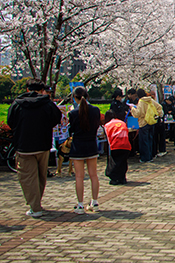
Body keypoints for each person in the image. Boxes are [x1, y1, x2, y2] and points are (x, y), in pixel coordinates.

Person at [7, 78, 62, 218]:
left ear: (27, 89)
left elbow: (10, 121)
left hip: (23, 145)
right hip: (43, 144)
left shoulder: (17, 104)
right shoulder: (47, 103)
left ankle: (35, 206)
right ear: (42, 90)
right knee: (40, 175)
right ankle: (37, 203)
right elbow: (56, 118)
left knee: (27, 177)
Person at [68, 86, 101, 214]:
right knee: (93, 175)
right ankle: (95, 202)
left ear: (74, 98)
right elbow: (97, 125)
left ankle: (80, 205)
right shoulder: (95, 110)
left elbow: (71, 130)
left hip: (78, 146)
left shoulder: (73, 113)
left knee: (79, 176)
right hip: (91, 144)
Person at [131, 89, 163, 162]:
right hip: (151, 122)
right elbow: (159, 107)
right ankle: (150, 156)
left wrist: (132, 109)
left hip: (143, 123)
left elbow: (138, 114)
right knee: (150, 140)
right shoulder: (150, 100)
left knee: (144, 141)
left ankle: (145, 158)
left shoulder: (141, 102)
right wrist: (156, 115)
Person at [103, 110, 131, 185]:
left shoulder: (107, 125)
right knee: (123, 162)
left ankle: (115, 178)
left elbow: (107, 137)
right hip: (126, 144)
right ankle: (122, 178)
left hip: (116, 145)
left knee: (114, 162)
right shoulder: (122, 122)